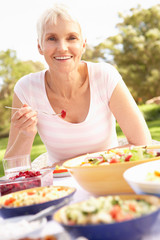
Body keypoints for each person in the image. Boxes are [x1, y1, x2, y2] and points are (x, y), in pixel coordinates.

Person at [4, 3, 152, 167]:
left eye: (71, 38)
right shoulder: (26, 89)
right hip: (59, 187)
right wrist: (25, 134)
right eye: (52, 39)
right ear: (40, 46)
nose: (62, 48)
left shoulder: (104, 76)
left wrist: (72, 164)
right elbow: (13, 170)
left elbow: (142, 143)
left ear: (83, 44)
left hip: (108, 173)